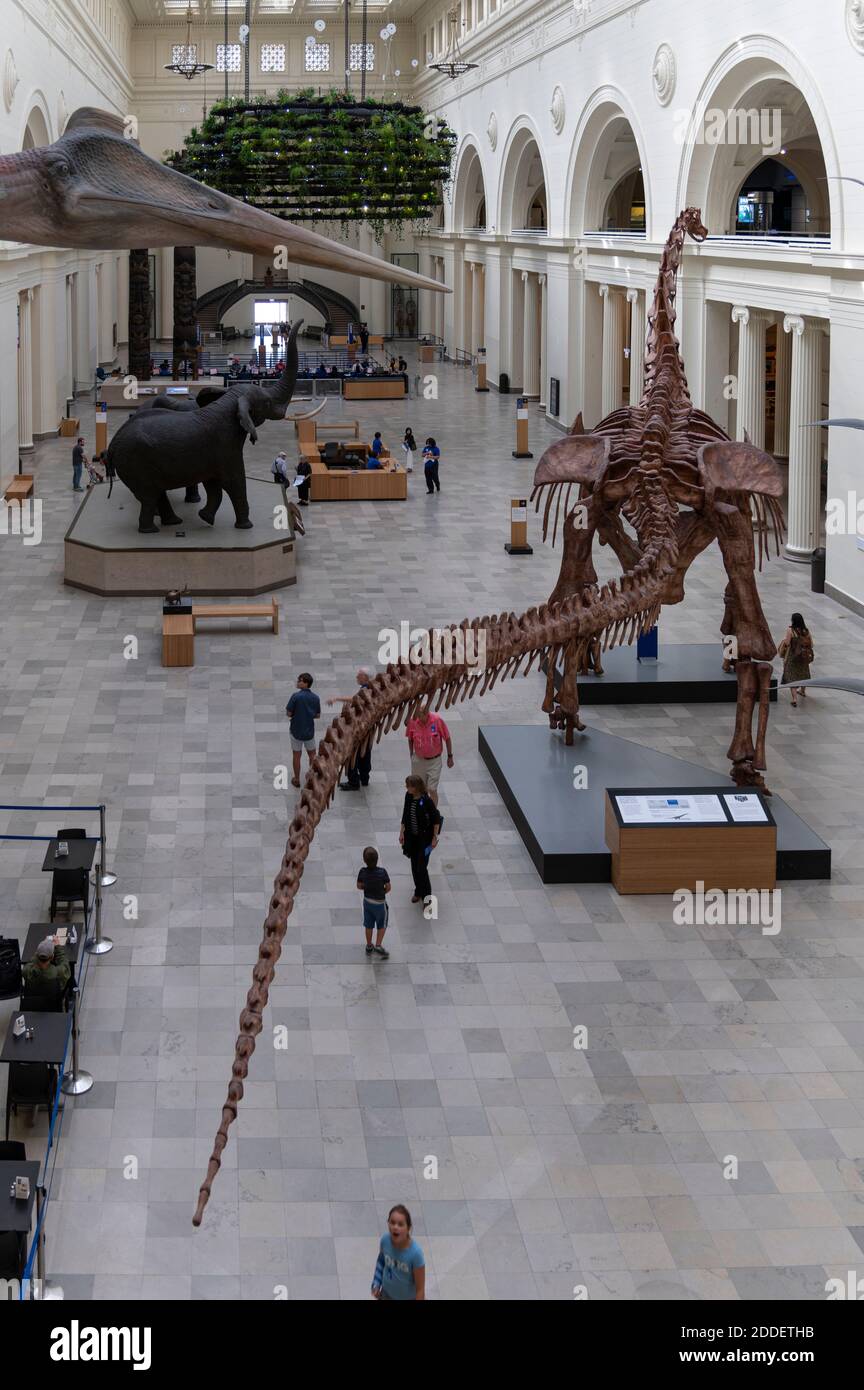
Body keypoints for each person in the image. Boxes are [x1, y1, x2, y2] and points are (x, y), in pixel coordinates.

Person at [400, 776, 443, 905]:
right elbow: (405, 814)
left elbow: (436, 820)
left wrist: (434, 838)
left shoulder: (426, 801)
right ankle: (418, 890)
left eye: (409, 786)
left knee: (422, 868)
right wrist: (401, 832)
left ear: (416, 787)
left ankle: (427, 898)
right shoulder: (408, 796)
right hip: (411, 838)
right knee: (414, 866)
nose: (407, 788)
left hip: (424, 840)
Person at [330, 668, 375, 788]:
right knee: (364, 751)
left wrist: (337, 698)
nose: (356, 678)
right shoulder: (370, 688)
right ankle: (364, 777)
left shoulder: (366, 689)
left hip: (360, 727)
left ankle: (353, 781)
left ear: (365, 677)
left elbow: (355, 699)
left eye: (359, 676)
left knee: (351, 752)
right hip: (367, 725)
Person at [371, 1205, 425, 1300]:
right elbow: (381, 1262)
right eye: (392, 1223)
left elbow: (420, 1289)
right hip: (385, 1295)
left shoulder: (416, 1254)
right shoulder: (385, 1241)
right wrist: (376, 1283)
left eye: (400, 1224)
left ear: (408, 1228)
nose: (395, 1227)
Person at [405, 707, 453, 807]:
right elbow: (410, 738)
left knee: (432, 788)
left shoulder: (437, 720)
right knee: (419, 789)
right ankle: (422, 810)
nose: (417, 717)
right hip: (419, 760)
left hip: (434, 761)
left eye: (419, 715)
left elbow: (447, 738)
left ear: (426, 714)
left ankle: (433, 813)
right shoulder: (413, 721)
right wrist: (411, 754)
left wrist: (450, 756)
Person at [286, 673, 321, 787]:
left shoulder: (295, 696)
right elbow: (317, 715)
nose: (298, 682)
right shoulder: (315, 698)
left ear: (306, 683)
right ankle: (311, 777)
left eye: (300, 680)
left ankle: (296, 779)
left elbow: (289, 713)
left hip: (296, 730)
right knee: (312, 755)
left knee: (296, 755)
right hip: (309, 732)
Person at [357, 846, 391, 959]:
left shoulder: (362, 872)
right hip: (380, 904)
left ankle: (369, 945)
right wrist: (382, 891)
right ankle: (378, 945)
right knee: (382, 924)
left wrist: (367, 887)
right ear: (377, 859)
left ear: (364, 860)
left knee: (368, 924)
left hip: (367, 902)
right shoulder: (382, 872)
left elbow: (359, 885)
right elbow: (388, 887)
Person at [778, 612, 814, 707]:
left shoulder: (790, 630)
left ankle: (794, 699)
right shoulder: (806, 631)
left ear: (793, 621)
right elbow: (812, 644)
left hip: (792, 657)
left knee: (791, 677)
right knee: (803, 673)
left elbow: (787, 643)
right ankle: (802, 691)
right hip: (803, 657)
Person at [22, 936, 71, 1005]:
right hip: (53, 1005)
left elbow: (31, 962)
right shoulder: (59, 972)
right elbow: (65, 963)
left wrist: (42, 949)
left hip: (33, 1004)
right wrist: (58, 947)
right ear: (52, 957)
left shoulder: (27, 971)